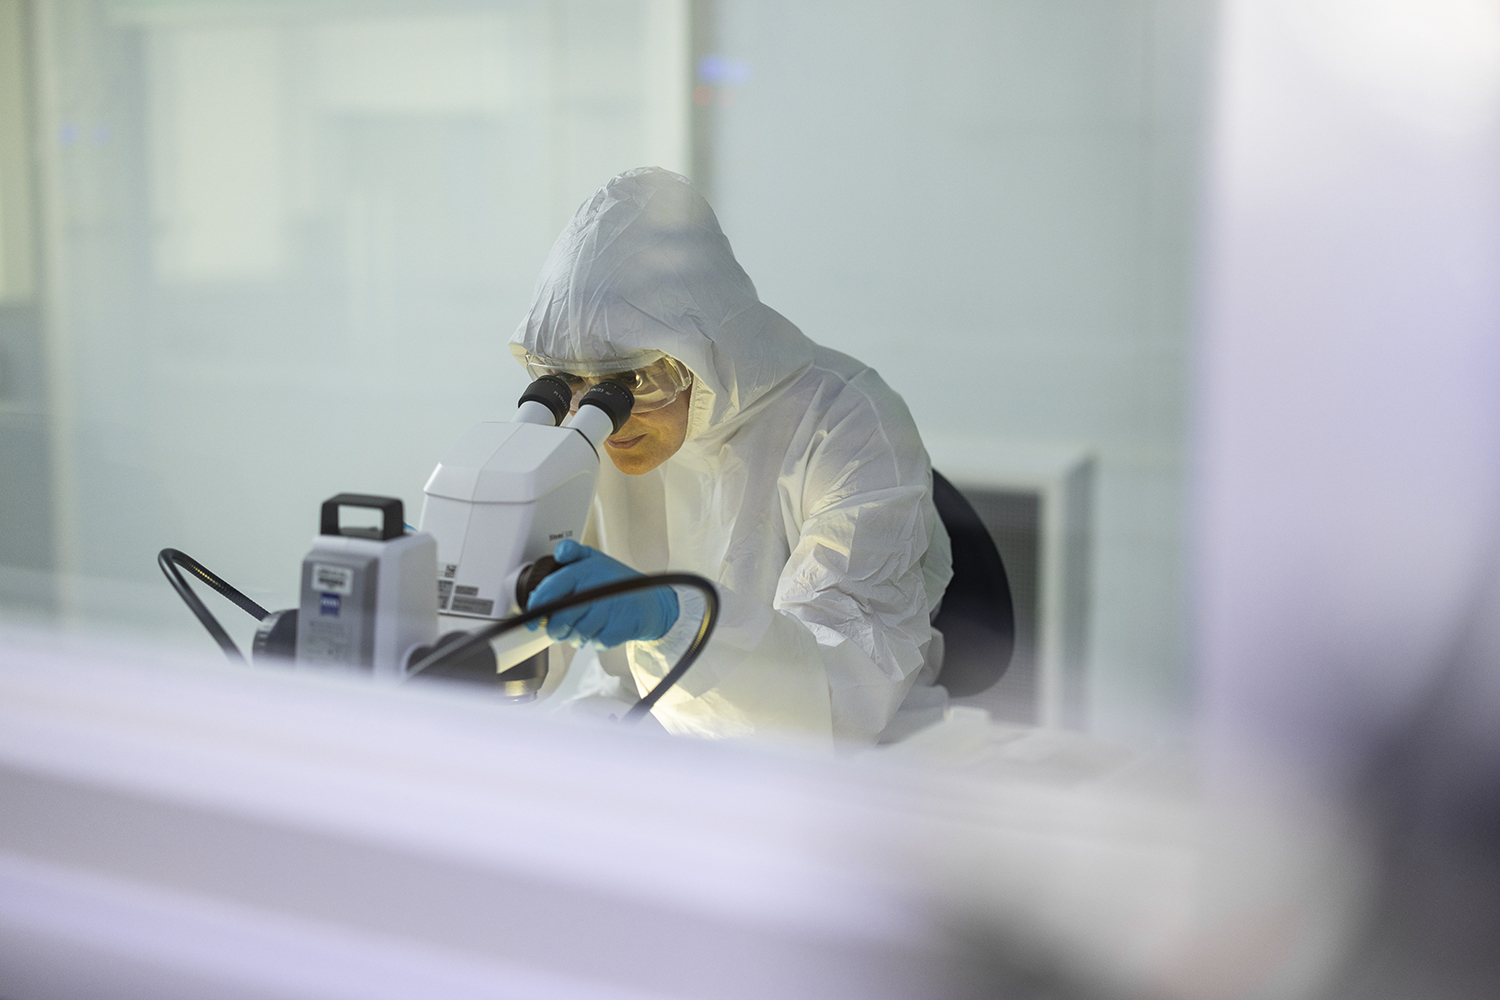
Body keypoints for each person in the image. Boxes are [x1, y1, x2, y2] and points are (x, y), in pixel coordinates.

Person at [516, 167, 952, 746]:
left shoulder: (849, 422)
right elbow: (535, 669)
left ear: (702, 353)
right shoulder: (585, 440)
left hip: (854, 760)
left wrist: (678, 624)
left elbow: (837, 697)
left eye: (631, 383)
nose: (602, 417)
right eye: (571, 383)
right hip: (650, 725)